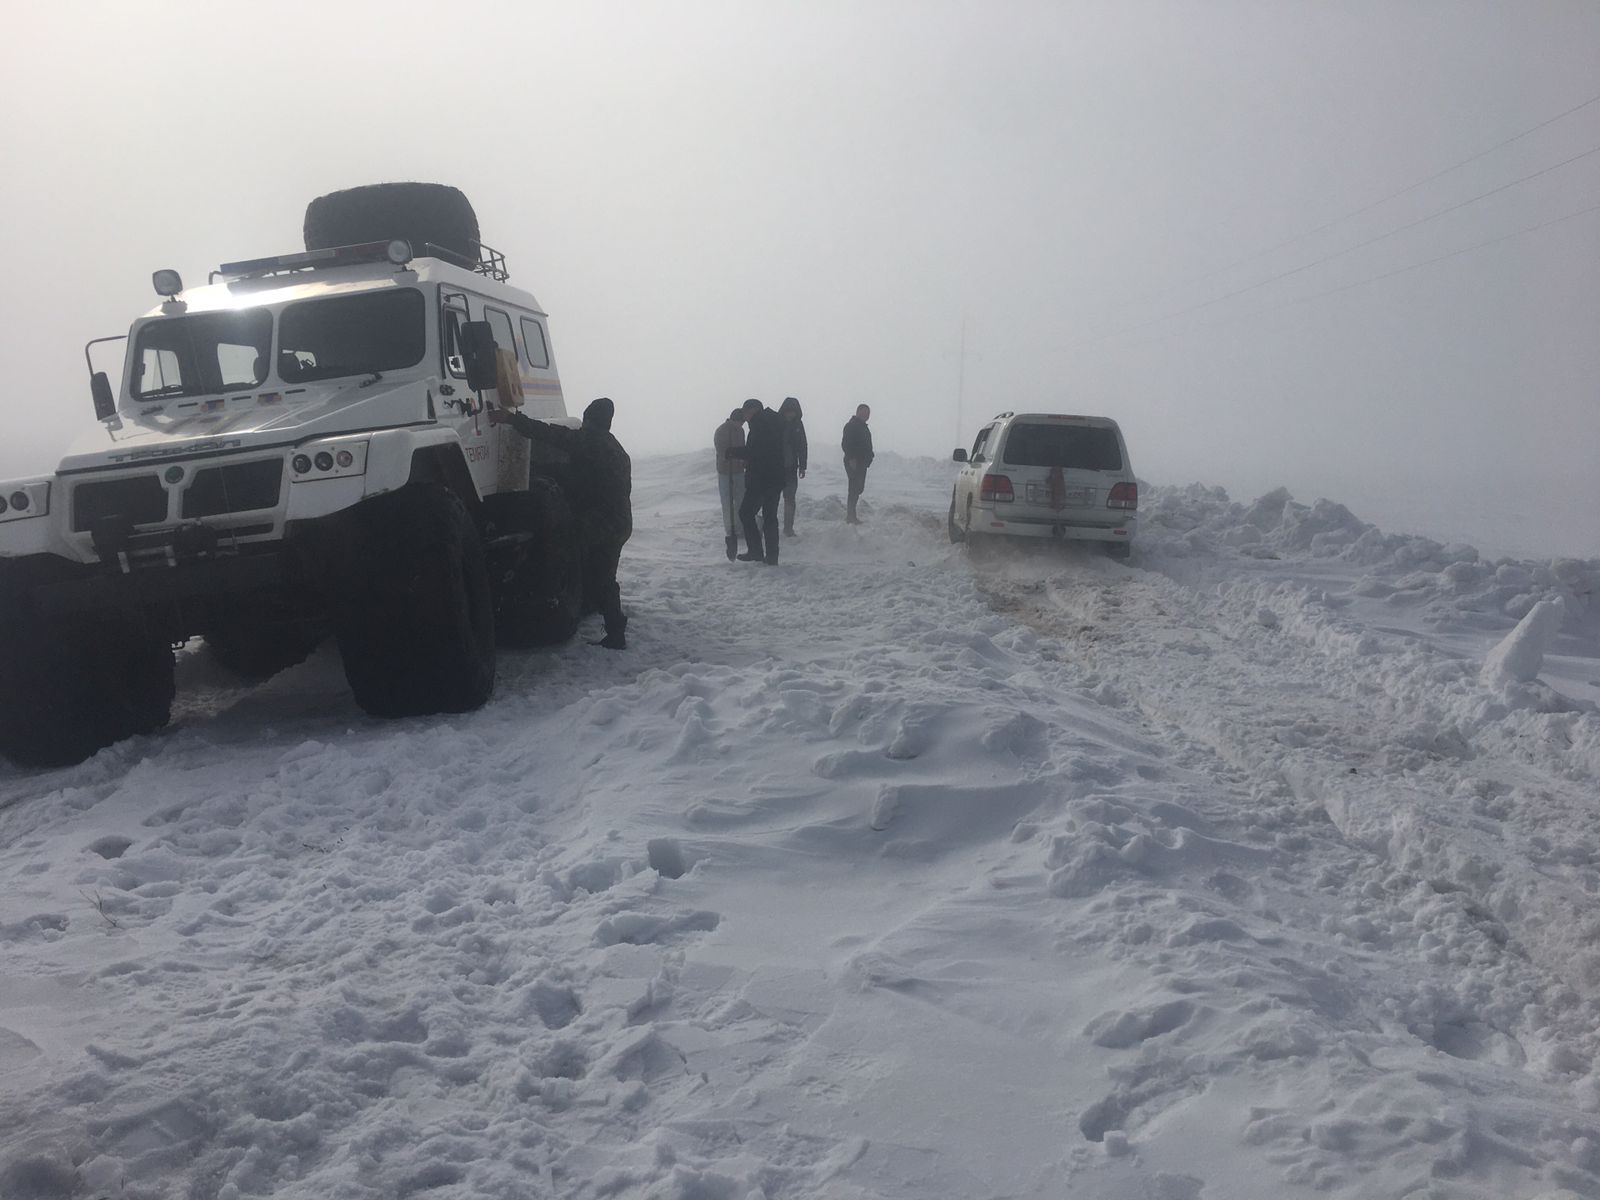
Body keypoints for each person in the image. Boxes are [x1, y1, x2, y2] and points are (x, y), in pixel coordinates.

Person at [490, 397, 632, 649]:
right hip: (619, 522)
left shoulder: (590, 441)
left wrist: (512, 419)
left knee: (561, 552)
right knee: (605, 577)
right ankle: (615, 632)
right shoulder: (616, 449)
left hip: (598, 523)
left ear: (589, 419)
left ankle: (558, 602)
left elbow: (549, 433)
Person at [730, 398, 784, 564]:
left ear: (752, 410)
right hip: (776, 477)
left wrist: (731, 452)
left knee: (745, 512)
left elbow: (755, 451)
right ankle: (772, 556)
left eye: (745, 414)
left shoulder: (760, 424)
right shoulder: (774, 421)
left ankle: (756, 552)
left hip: (761, 479)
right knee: (770, 517)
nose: (745, 419)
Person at [713, 406, 747, 561]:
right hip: (725, 473)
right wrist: (731, 457)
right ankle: (730, 530)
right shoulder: (721, 431)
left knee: (740, 500)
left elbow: (744, 449)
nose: (741, 426)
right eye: (740, 422)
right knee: (727, 502)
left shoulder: (741, 432)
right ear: (733, 419)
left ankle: (739, 528)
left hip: (739, 472)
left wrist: (743, 461)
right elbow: (722, 452)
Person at [778, 396, 808, 537]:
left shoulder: (798, 425)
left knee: (790, 498)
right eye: (788, 411)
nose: (790, 414)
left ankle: (788, 528)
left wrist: (803, 466)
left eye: (793, 412)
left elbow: (803, 446)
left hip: (791, 468)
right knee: (771, 499)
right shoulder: (776, 424)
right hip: (775, 467)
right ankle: (769, 526)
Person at [841, 403, 874, 524]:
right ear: (858, 412)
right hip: (853, 462)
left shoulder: (864, 427)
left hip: (862, 462)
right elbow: (845, 444)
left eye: (868, 413)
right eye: (864, 412)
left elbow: (868, 445)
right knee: (854, 487)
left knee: (859, 488)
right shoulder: (851, 426)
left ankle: (851, 515)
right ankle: (850, 516)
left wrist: (870, 457)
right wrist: (851, 458)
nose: (866, 415)